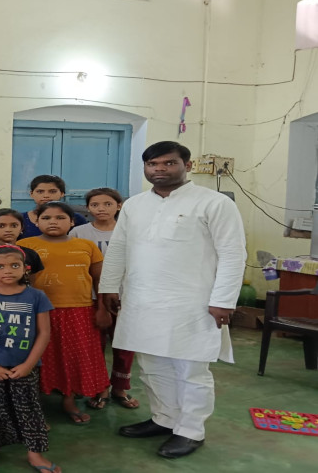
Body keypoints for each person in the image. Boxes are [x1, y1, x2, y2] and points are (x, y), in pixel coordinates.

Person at [99, 141, 246, 459]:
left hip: (192, 302)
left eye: (169, 163)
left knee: (190, 368)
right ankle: (164, 419)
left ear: (187, 166)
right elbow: (119, 247)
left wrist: (223, 300)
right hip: (141, 300)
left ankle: (191, 431)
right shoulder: (135, 205)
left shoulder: (214, 203)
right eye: (152, 164)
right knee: (152, 366)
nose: (159, 169)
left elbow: (233, 254)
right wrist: (109, 286)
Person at [0, 245, 60, 473]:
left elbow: (44, 333)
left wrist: (28, 365)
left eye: (14, 265)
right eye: (0, 266)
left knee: (29, 408)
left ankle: (35, 454)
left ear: (26, 268)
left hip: (25, 365)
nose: (7, 270)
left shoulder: (37, 296)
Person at [18, 202, 110, 425]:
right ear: (37, 221)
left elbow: (99, 280)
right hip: (37, 312)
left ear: (72, 222)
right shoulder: (24, 245)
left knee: (73, 357)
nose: (53, 222)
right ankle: (35, 404)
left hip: (79, 310)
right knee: (38, 357)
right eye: (46, 218)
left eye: (60, 218)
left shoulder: (87, 246)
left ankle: (69, 399)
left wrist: (102, 308)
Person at [69, 188, 138, 411]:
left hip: (126, 296)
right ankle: (99, 388)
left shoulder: (131, 231)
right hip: (90, 298)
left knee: (124, 346)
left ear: (119, 206)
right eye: (95, 204)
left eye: (107, 204)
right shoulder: (79, 232)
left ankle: (120, 388)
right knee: (94, 347)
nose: (101, 209)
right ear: (88, 208)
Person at [20, 175, 87, 238]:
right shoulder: (20, 219)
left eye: (52, 191)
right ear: (31, 194)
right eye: (40, 192)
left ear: (62, 193)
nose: (46, 195)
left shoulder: (76, 218)